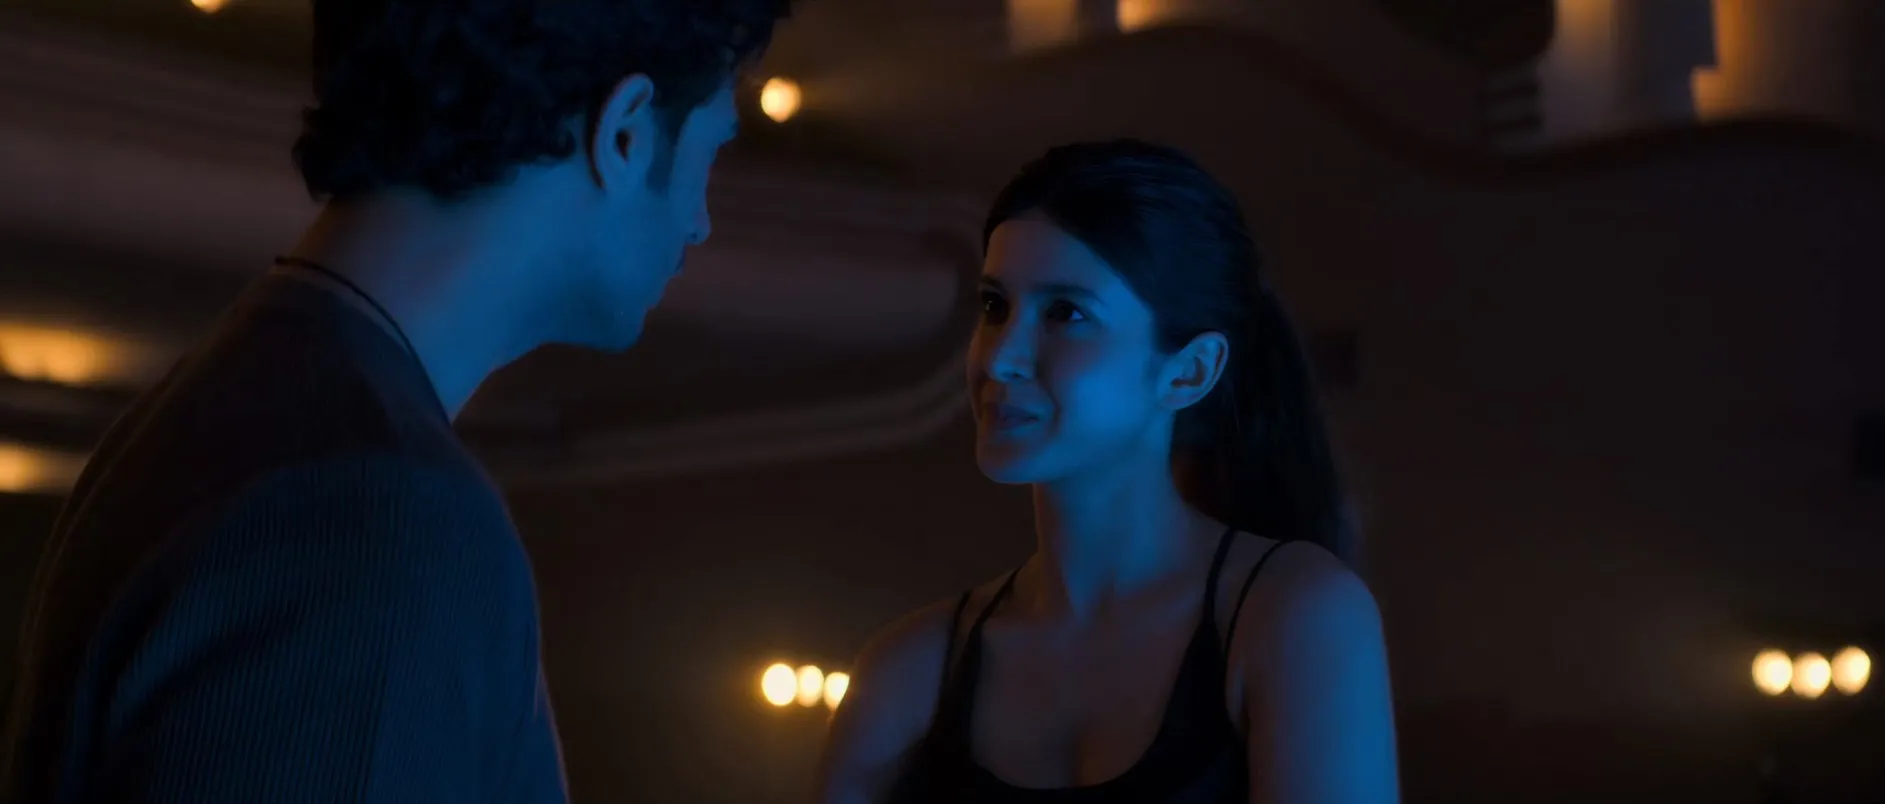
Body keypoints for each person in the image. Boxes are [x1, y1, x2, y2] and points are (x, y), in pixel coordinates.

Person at [0, 0, 792, 800]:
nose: (701, 223)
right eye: (714, 148)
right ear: (624, 133)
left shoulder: (227, 418)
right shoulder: (376, 507)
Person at [815, 141, 1399, 804]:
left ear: (1189, 371)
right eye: (994, 306)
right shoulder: (909, 671)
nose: (1000, 358)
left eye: (1066, 313)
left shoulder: (1294, 615)